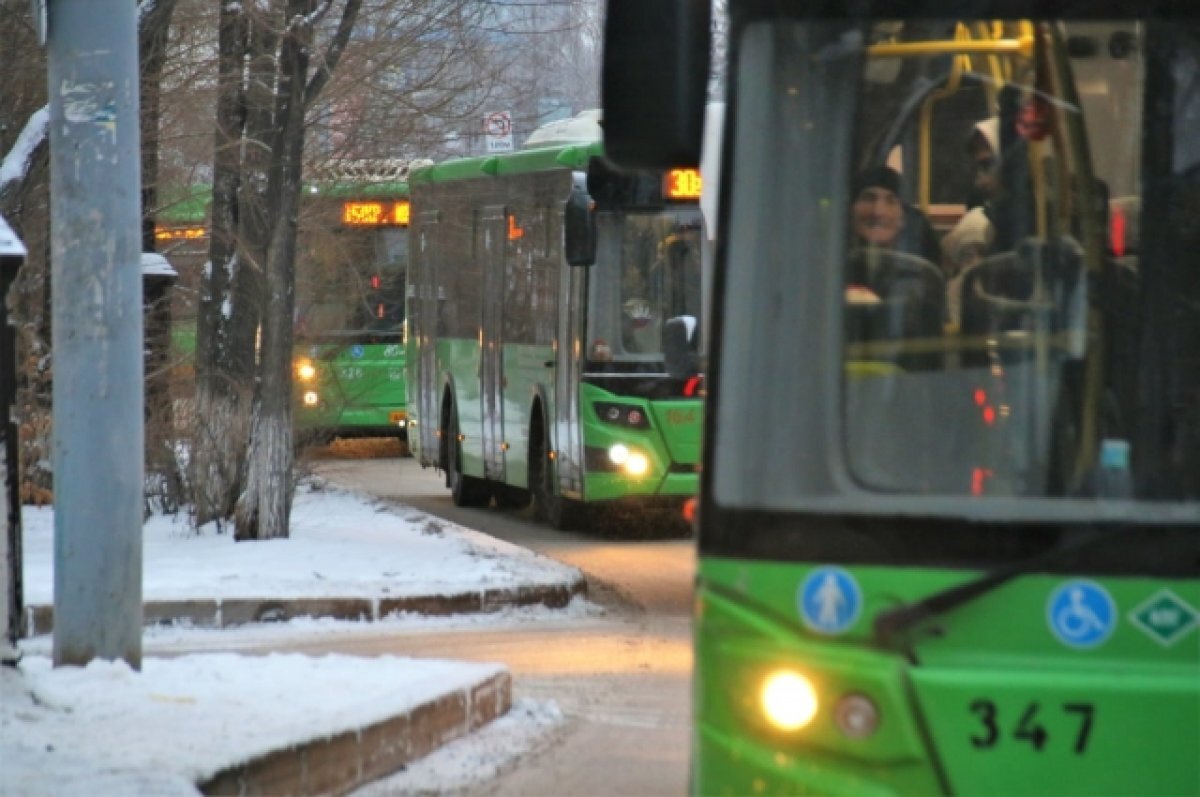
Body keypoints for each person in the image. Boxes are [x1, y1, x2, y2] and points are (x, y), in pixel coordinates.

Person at [942, 118, 1001, 324]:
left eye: (987, 165)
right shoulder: (980, 213)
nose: (980, 179)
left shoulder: (1032, 216)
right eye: (978, 167)